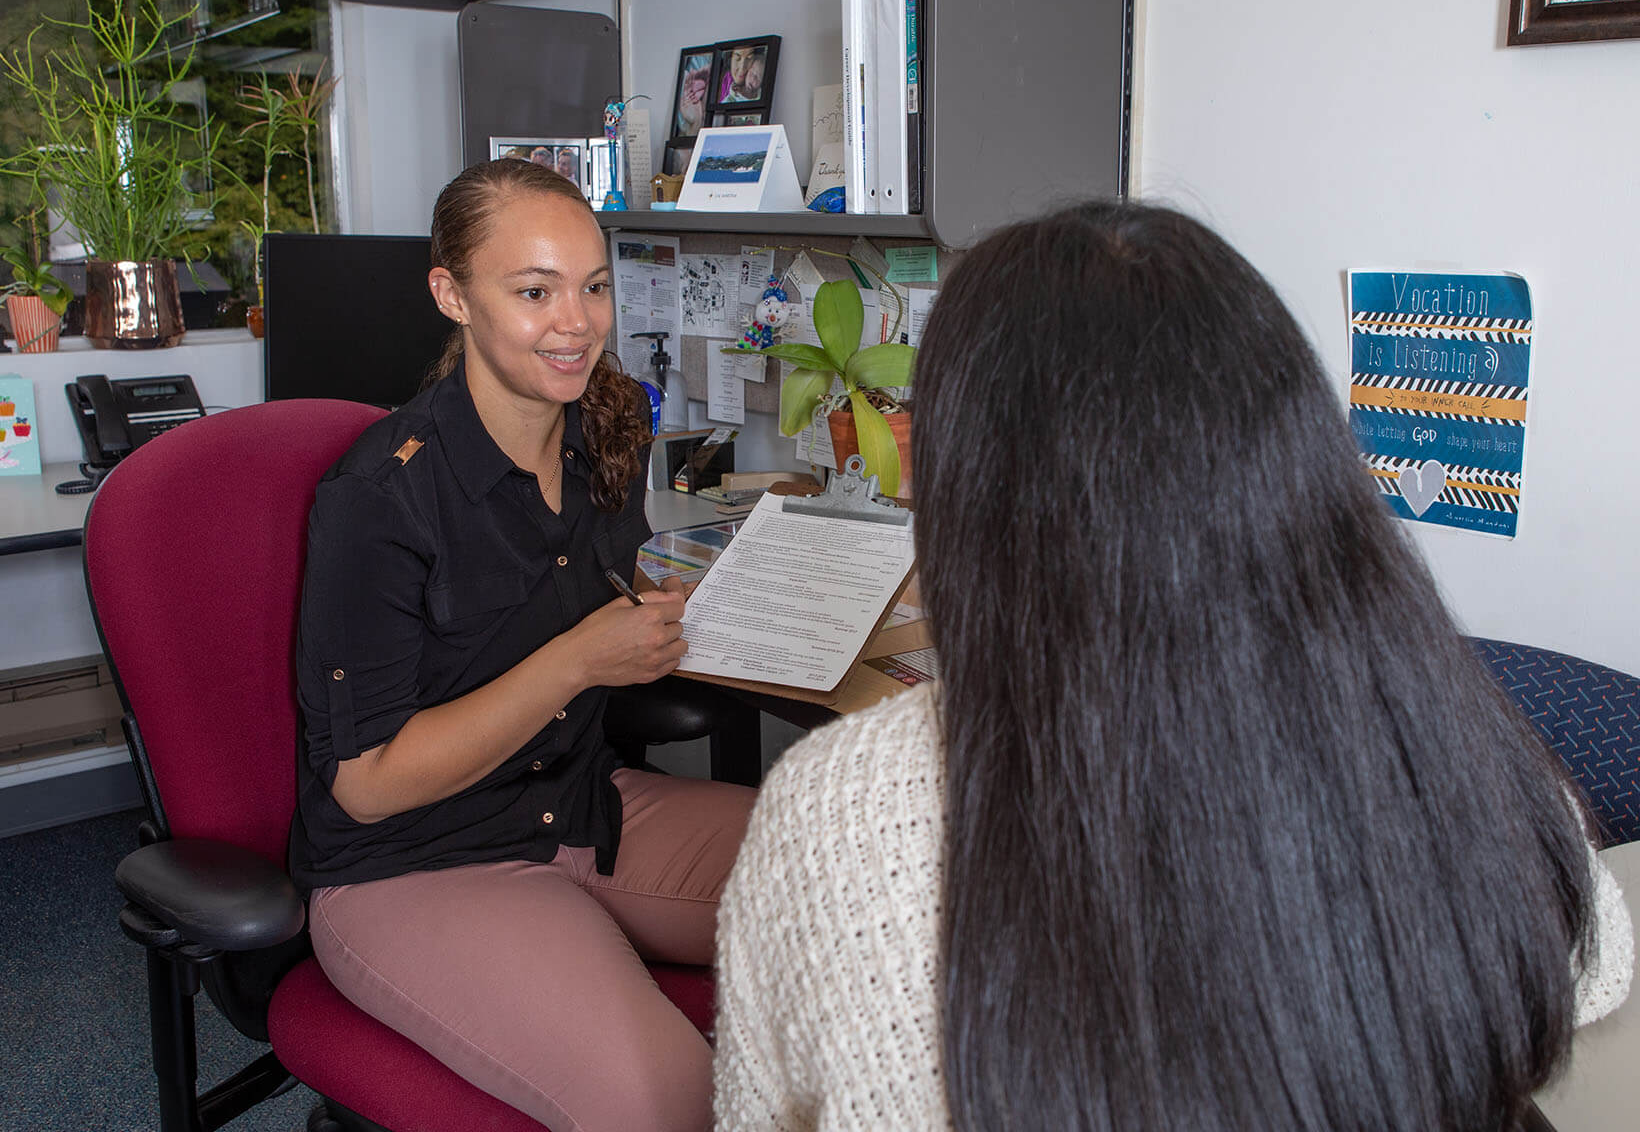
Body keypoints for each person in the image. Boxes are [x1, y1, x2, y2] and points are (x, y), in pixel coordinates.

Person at [712, 201, 1633, 1130]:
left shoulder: (833, 814)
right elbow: (1598, 966)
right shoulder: (1423, 715)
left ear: (970, 491)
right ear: (1294, 462)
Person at [290, 156, 756, 1132]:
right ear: (450, 294)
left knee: (888, 888)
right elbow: (366, 782)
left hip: (581, 805)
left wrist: (668, 613)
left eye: (591, 287)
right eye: (533, 291)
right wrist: (582, 658)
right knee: (665, 1099)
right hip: (418, 865)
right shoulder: (377, 499)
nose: (575, 321)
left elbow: (601, 606)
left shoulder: (600, 433)